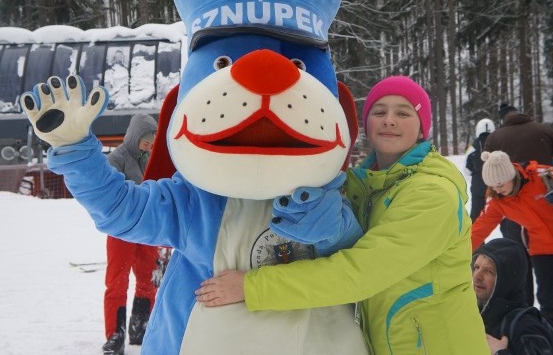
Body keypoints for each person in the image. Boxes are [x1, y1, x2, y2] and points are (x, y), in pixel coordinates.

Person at [196, 76, 490, 354]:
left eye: (403, 113)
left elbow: (359, 273)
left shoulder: (432, 195)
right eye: (379, 111)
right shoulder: (366, 187)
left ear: (422, 128)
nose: (389, 120)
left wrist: (251, 287)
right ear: (366, 123)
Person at [471, 150, 553, 352]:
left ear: (511, 175)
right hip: (542, 251)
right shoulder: (498, 201)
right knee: (551, 304)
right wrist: (459, 252)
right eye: (493, 185)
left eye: (501, 183)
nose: (498, 188)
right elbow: (480, 228)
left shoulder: (540, 175)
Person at [484, 103, 553, 305]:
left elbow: (486, 174)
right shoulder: (543, 130)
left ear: (503, 119)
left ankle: (528, 305)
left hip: (514, 210)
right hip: (549, 202)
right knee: (551, 256)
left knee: (524, 259)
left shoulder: (495, 137)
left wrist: (487, 199)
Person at [103, 113, 160, 355]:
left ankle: (141, 325)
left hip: (146, 229)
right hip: (121, 230)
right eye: (145, 141)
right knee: (117, 281)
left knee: (149, 277)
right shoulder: (116, 159)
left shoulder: (149, 158)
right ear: (135, 136)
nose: (148, 145)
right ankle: (115, 335)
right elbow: (110, 194)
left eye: (151, 142)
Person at [473, 237, 553, 355]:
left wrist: (500, 352)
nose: (477, 276)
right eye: (476, 267)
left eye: (488, 271)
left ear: (507, 280)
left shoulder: (525, 327)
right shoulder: (475, 312)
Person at [466, 118, 495, 221]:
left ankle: (472, 236)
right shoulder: (498, 143)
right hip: (496, 187)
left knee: (475, 217)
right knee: (502, 216)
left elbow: (467, 170)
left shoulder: (472, 148)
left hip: (478, 187)